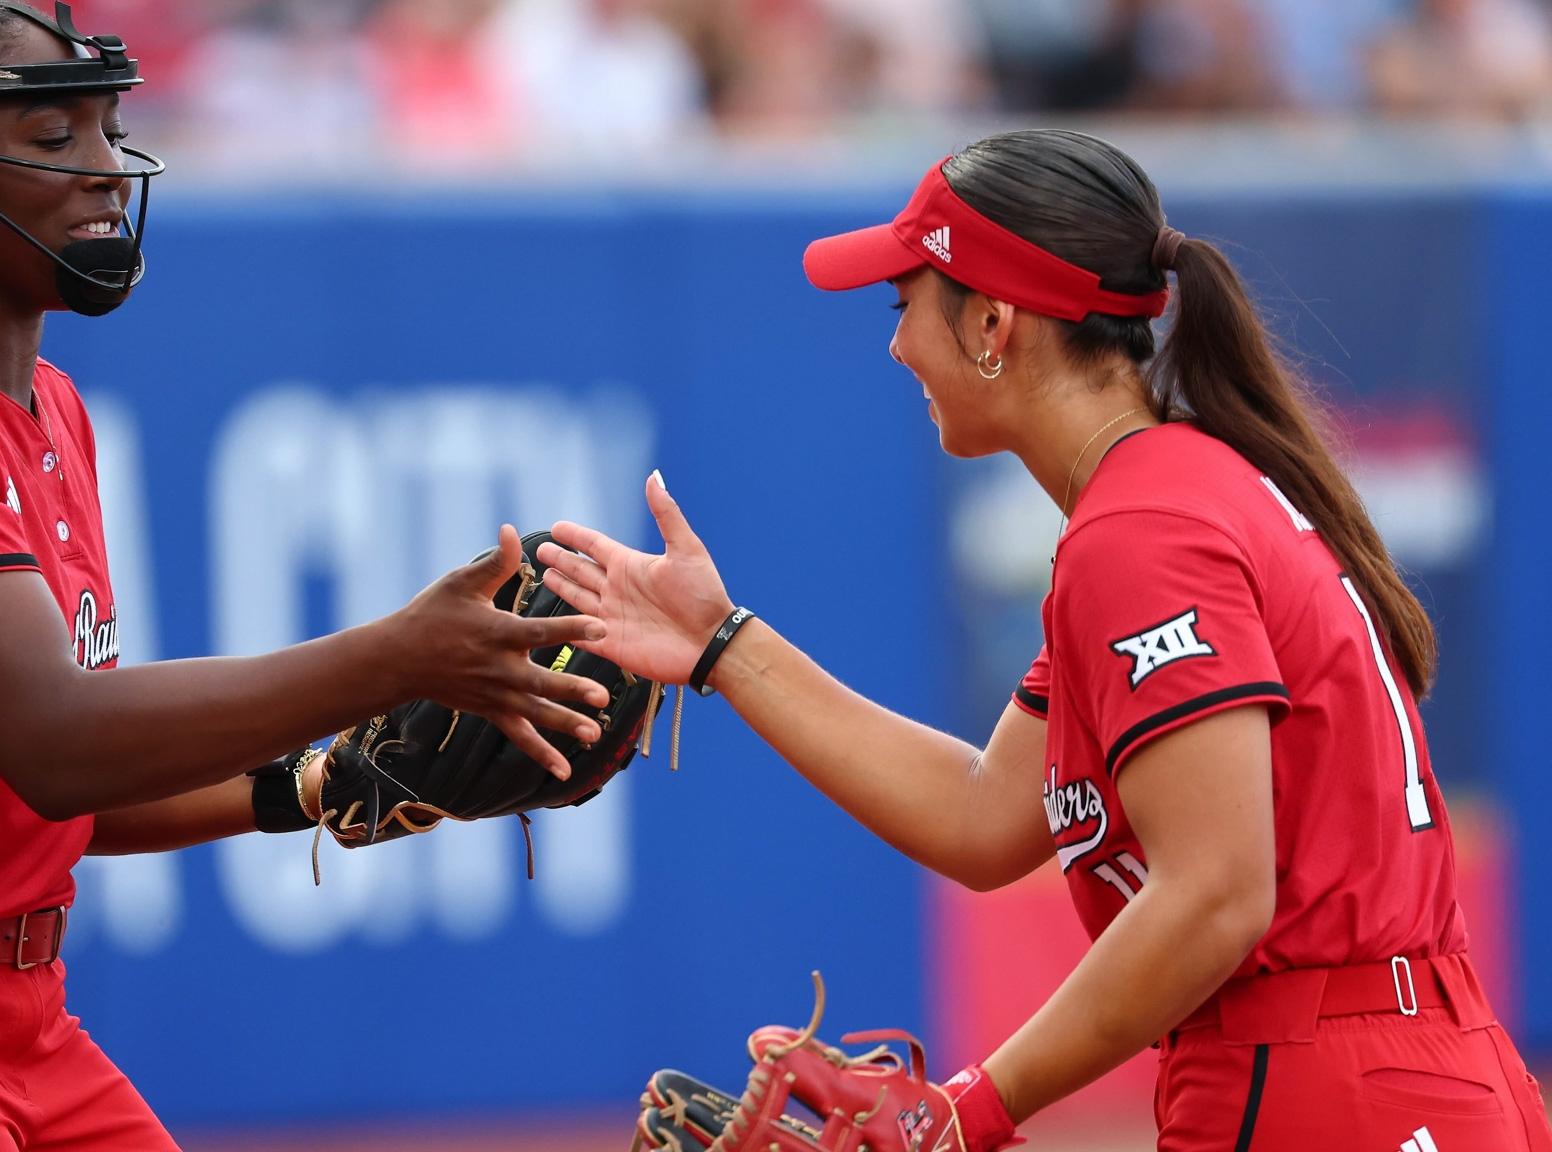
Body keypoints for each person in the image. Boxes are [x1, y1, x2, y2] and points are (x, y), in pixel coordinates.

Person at [0, 2, 610, 1147]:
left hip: (15, 1011)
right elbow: (58, 741)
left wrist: (303, 786)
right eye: (53, 140)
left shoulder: (52, 408)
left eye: (106, 131)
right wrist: (397, 659)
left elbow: (59, 789)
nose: (104, 171)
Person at [537, 130, 1552, 1151]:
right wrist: (722, 645)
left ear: (989, 322)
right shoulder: (1167, 494)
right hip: (1391, 1069)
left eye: (905, 308)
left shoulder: (1139, 530)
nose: (895, 347)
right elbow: (984, 817)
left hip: (1322, 1090)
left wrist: (965, 1109)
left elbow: (1214, 893)